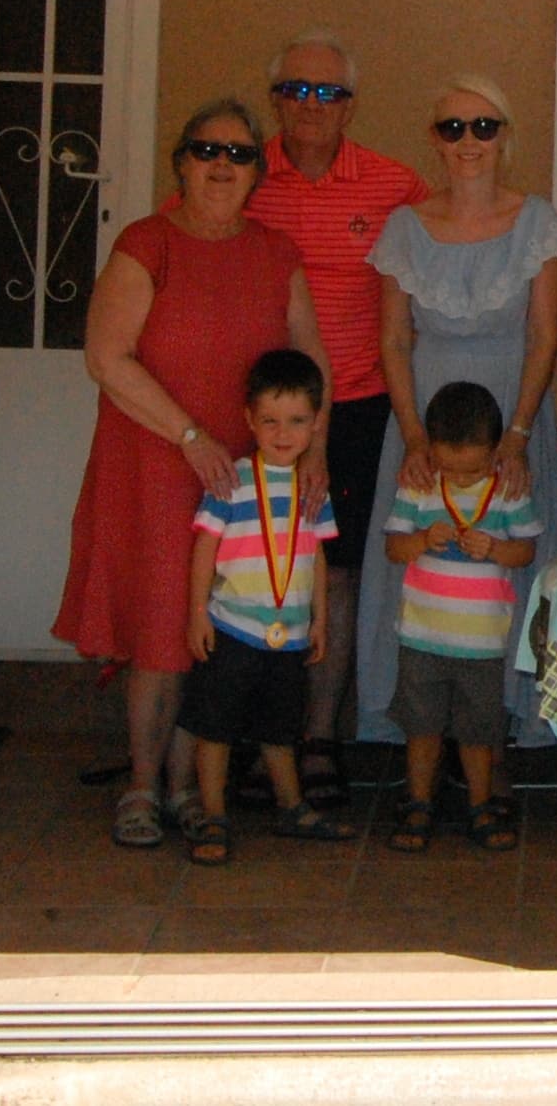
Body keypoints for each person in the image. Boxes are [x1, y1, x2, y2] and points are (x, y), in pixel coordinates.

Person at [54, 100, 333, 851]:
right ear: (180, 161)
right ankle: (145, 785)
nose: (222, 164)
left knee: (222, 623)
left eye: (240, 155)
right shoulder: (148, 243)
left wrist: (316, 454)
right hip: (155, 459)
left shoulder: (276, 253)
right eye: (206, 149)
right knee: (159, 624)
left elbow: (312, 367)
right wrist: (187, 434)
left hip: (252, 474)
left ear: (256, 173)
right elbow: (106, 356)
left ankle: (190, 788)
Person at [354, 76, 557, 769]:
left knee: (507, 556)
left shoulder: (537, 222)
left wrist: (517, 434)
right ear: (433, 140)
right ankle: (417, 724)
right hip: (424, 415)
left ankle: (503, 718)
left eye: (483, 127)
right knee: (421, 556)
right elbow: (392, 341)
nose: (468, 142)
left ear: (505, 137)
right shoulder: (403, 228)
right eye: (452, 128)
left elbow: (543, 337)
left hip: (512, 410)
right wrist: (413, 434)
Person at [239, 31, 428, 807]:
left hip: (357, 407)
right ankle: (256, 733)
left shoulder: (393, 186)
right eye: (296, 89)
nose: (311, 105)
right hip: (259, 413)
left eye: (328, 92)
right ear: (274, 97)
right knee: (248, 572)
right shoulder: (239, 177)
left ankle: (317, 733)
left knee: (338, 577)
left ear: (351, 103)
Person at [178, 349, 358, 864]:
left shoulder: (313, 487)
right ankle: (213, 815)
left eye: (298, 421)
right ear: (249, 420)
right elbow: (204, 549)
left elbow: (318, 557)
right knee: (215, 726)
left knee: (282, 728)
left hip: (290, 633)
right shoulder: (230, 480)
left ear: (317, 422)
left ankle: (292, 807)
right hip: (232, 628)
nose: (284, 433)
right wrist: (196, 614)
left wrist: (320, 618)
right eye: (271, 421)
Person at [383, 382, 542, 854]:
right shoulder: (418, 487)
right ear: (430, 450)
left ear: (495, 453)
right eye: (449, 468)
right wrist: (421, 541)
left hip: (482, 642)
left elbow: (526, 551)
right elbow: (394, 548)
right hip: (422, 635)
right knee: (422, 727)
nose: (461, 478)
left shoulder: (507, 493)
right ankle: (418, 801)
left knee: (479, 731)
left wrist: (494, 547)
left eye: (473, 469)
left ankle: (480, 802)